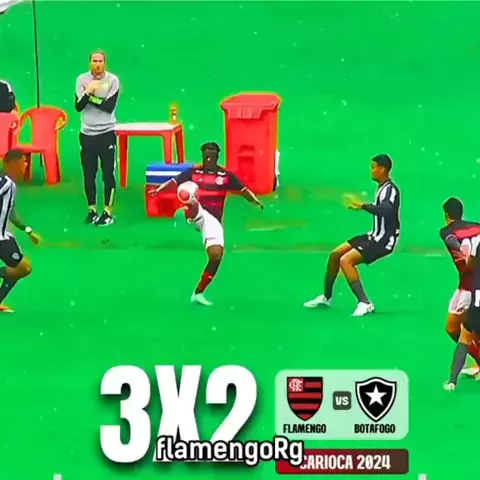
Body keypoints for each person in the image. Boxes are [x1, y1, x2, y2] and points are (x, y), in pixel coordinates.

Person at [149, 142, 263, 306]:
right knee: (188, 193)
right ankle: (186, 212)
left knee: (216, 256)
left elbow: (243, 190)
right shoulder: (193, 172)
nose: (208, 156)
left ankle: (198, 293)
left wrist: (255, 201)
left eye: (212, 153)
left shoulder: (225, 176)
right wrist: (160, 189)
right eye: (206, 153)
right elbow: (174, 181)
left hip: (212, 220)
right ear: (202, 154)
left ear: (217, 155)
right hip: (199, 211)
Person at [304, 154, 400, 316]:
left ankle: (365, 303)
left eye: (373, 167)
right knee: (335, 254)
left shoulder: (391, 190)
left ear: (383, 169)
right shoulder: (381, 187)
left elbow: (387, 210)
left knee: (346, 261)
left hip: (383, 240)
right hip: (373, 235)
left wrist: (363, 206)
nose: (371, 170)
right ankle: (326, 298)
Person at [75, 50, 119, 226]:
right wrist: (87, 92)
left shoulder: (112, 80)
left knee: (108, 173)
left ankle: (107, 211)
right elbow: (78, 106)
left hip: (106, 133)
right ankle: (91, 209)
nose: (97, 64)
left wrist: (90, 96)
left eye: (100, 61)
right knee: (89, 174)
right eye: (94, 61)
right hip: (87, 134)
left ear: (105, 63)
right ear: (89, 63)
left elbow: (108, 107)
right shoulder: (81, 80)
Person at [439, 198, 480, 377]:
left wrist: (462, 252)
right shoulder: (477, 226)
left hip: (468, 286)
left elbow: (451, 240)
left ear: (446, 215)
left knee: (453, 328)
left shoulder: (446, 231)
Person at [0, 149, 41, 312]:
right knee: (22, 268)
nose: (26, 165)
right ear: (13, 164)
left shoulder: (10, 185)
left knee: (20, 269)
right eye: (23, 161)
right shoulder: (4, 183)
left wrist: (28, 230)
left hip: (4, 236)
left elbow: (10, 212)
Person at [444, 232, 480, 391]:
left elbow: (470, 264)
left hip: (477, 305)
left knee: (464, 339)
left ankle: (452, 381)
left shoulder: (478, 240)